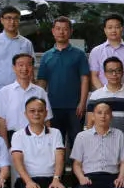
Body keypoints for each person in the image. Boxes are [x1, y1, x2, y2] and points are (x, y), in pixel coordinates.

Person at [37, 16, 90, 147]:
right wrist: (41, 105)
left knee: (76, 143)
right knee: (55, 143)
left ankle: (75, 162)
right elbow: (42, 82)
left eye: (65, 29)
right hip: (52, 107)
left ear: (70, 31)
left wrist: (82, 103)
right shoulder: (46, 56)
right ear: (53, 31)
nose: (61, 32)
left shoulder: (79, 55)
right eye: (58, 29)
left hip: (75, 107)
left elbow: (85, 79)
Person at [86, 57, 124, 143]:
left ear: (123, 72)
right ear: (105, 73)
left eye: (118, 71)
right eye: (110, 71)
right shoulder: (95, 96)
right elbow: (90, 123)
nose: (114, 74)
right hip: (100, 144)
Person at [0, 6, 35, 99]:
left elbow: (31, 70)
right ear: (2, 20)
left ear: (19, 20)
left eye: (15, 18)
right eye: (8, 18)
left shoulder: (26, 43)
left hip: (21, 93)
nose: (12, 22)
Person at [0, 53, 49, 141]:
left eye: (28, 65)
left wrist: (47, 140)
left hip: (37, 138)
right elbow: (2, 121)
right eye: (21, 65)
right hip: (12, 137)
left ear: (32, 68)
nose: (24, 68)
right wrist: (5, 144)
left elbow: (46, 119)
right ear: (14, 68)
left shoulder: (40, 92)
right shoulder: (4, 92)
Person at [88, 13, 124, 89]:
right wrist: (104, 93)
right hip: (102, 94)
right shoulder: (96, 51)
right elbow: (94, 75)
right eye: (110, 27)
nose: (113, 30)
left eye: (117, 27)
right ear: (105, 30)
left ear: (122, 28)